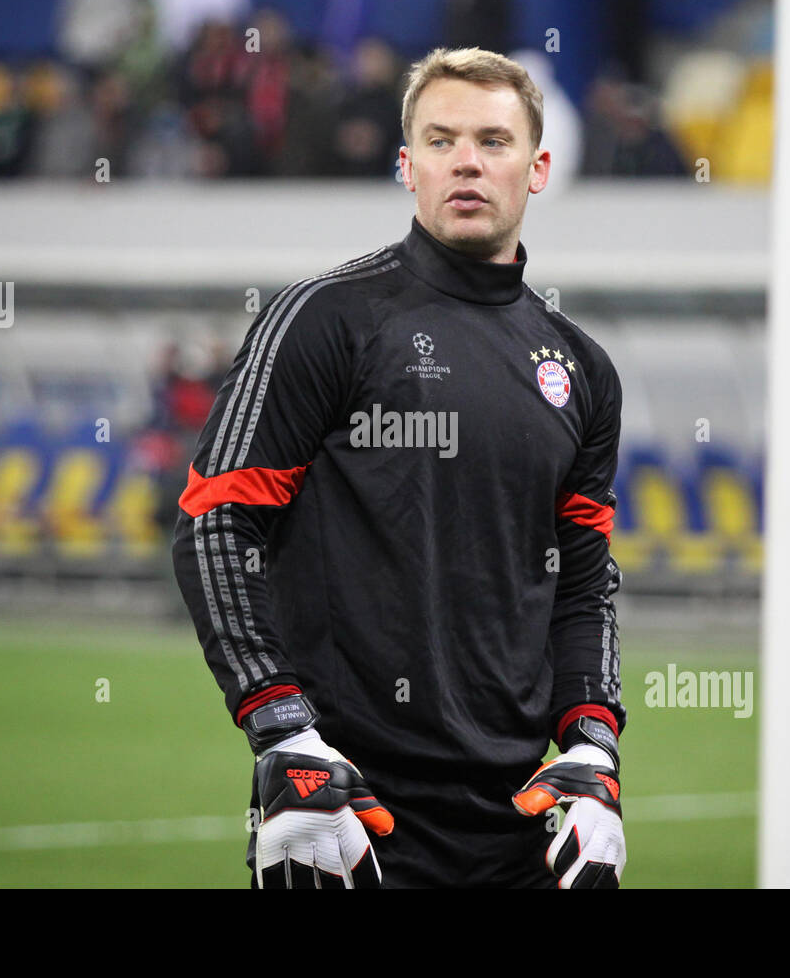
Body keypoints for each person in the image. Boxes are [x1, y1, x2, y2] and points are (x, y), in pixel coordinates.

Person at [172, 46, 626, 889]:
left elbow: (586, 581)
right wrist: (282, 730)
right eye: (441, 138)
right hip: (344, 816)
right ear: (405, 165)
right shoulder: (322, 320)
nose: (466, 160)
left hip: (523, 828)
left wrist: (596, 749)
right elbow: (214, 520)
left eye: (493, 140)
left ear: (538, 167)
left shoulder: (582, 370)